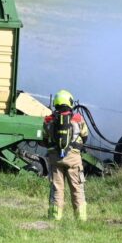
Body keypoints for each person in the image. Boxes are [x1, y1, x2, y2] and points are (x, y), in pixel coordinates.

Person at [44, 89, 89, 221]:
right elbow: (85, 136)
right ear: (70, 102)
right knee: (77, 188)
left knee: (57, 189)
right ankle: (81, 219)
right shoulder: (78, 118)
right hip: (74, 159)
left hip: (55, 159)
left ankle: (55, 218)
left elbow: (44, 140)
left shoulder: (48, 120)